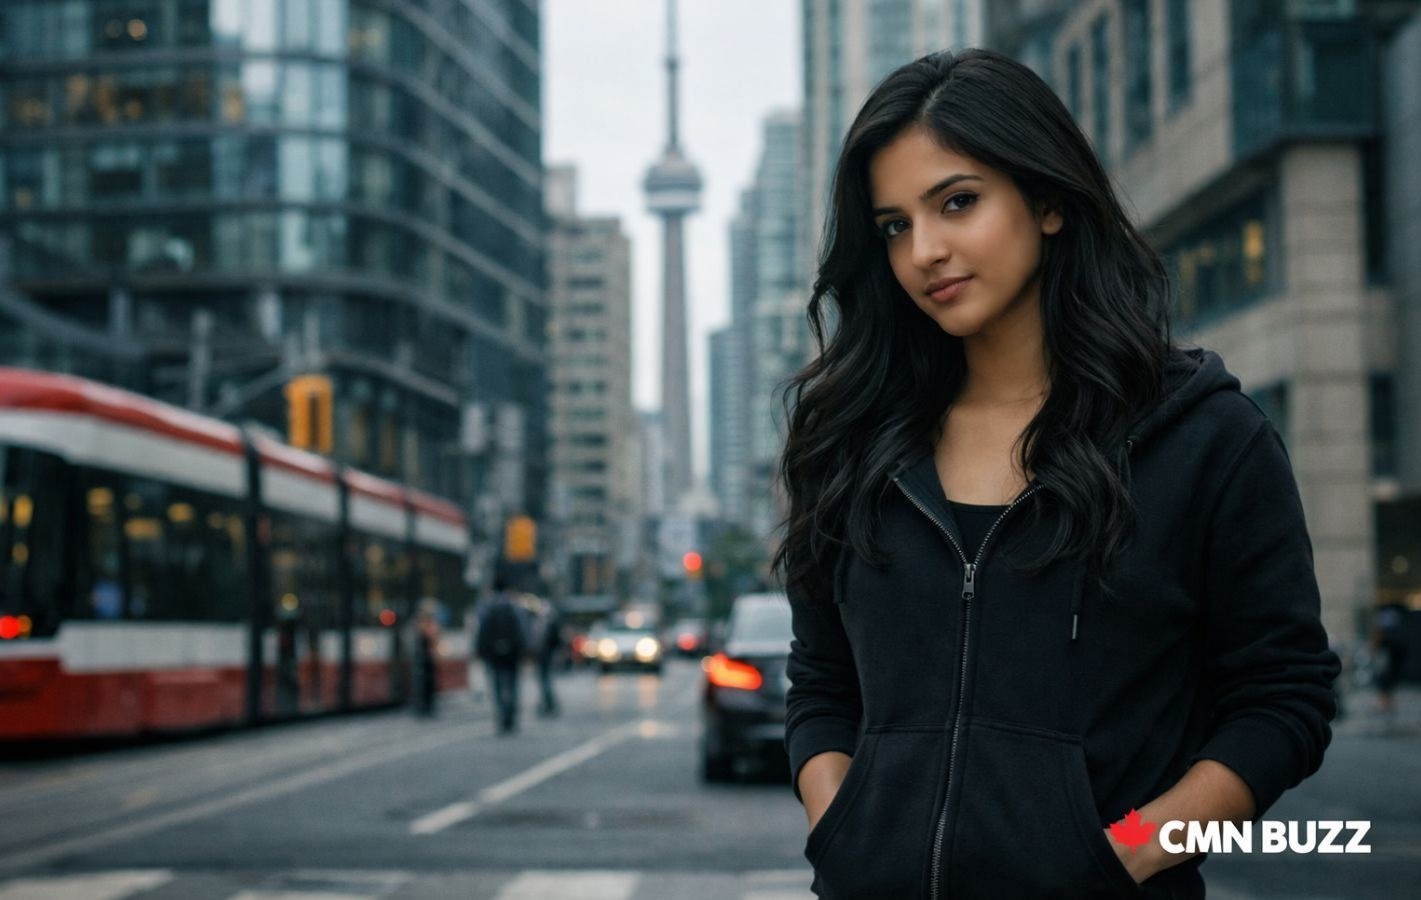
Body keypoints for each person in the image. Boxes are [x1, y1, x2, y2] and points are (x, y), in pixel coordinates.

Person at [776, 49, 1340, 899]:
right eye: (894, 225)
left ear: (1046, 201)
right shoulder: (856, 440)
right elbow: (822, 684)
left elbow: (1281, 704)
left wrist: (1122, 857)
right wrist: (841, 826)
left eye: (956, 202)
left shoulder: (1204, 439)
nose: (924, 251)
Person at [476, 572, 529, 734]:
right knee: (512, 685)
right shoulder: (514, 605)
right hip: (512, 653)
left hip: (494, 652)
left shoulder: (487, 605)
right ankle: (511, 716)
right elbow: (522, 629)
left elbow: (481, 630)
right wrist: (524, 649)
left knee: (498, 685)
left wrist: (481, 650)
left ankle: (502, 716)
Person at [532, 598, 564, 717]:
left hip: (543, 654)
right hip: (546, 654)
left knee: (545, 680)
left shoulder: (540, 621)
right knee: (546, 680)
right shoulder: (550, 620)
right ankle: (548, 702)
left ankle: (548, 702)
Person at [413, 598, 441, 718]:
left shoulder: (426, 621)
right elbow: (430, 635)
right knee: (423, 684)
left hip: (426, 657)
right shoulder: (422, 622)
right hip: (423, 658)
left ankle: (426, 707)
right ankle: (423, 707)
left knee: (428, 683)